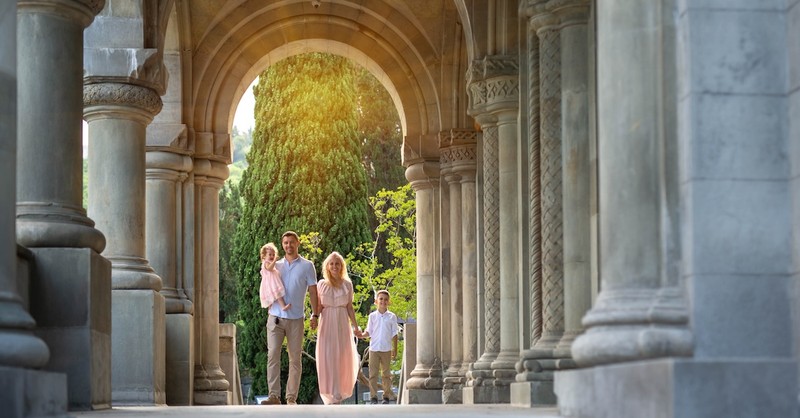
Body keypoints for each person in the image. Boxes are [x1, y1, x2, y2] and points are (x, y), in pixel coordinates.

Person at [262, 231, 319, 406]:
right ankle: (274, 396)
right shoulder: (275, 265)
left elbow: (313, 292)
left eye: (291, 242)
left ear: (298, 243)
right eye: (285, 243)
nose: (288, 245)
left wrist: (315, 314)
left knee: (295, 359)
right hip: (275, 318)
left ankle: (291, 398)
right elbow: (266, 283)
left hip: (296, 320)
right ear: (282, 244)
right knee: (273, 356)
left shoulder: (307, 266)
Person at [315, 251, 361, 405]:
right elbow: (319, 306)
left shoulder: (347, 284)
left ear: (342, 266)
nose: (334, 266)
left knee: (342, 356)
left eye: (337, 263)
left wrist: (356, 327)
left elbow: (349, 307)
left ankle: (339, 390)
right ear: (327, 266)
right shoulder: (321, 284)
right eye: (332, 263)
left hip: (342, 323)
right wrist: (313, 317)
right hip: (327, 322)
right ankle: (331, 391)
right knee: (328, 356)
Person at [360, 289, 399, 404]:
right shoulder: (372, 316)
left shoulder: (392, 317)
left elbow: (394, 334)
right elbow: (368, 331)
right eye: (381, 299)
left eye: (386, 299)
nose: (383, 301)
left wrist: (395, 349)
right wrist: (361, 335)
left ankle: (386, 397)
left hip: (386, 349)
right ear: (376, 301)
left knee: (386, 374)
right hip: (374, 349)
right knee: (373, 374)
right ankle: (373, 397)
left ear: (389, 302)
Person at [259, 243, 291, 311]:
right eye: (270, 254)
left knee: (277, 295)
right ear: (264, 256)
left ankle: (277, 307)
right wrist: (274, 261)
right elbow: (269, 268)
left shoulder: (269, 262)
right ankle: (281, 307)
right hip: (271, 283)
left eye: (273, 255)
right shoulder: (266, 262)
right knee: (277, 294)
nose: (272, 256)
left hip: (272, 281)